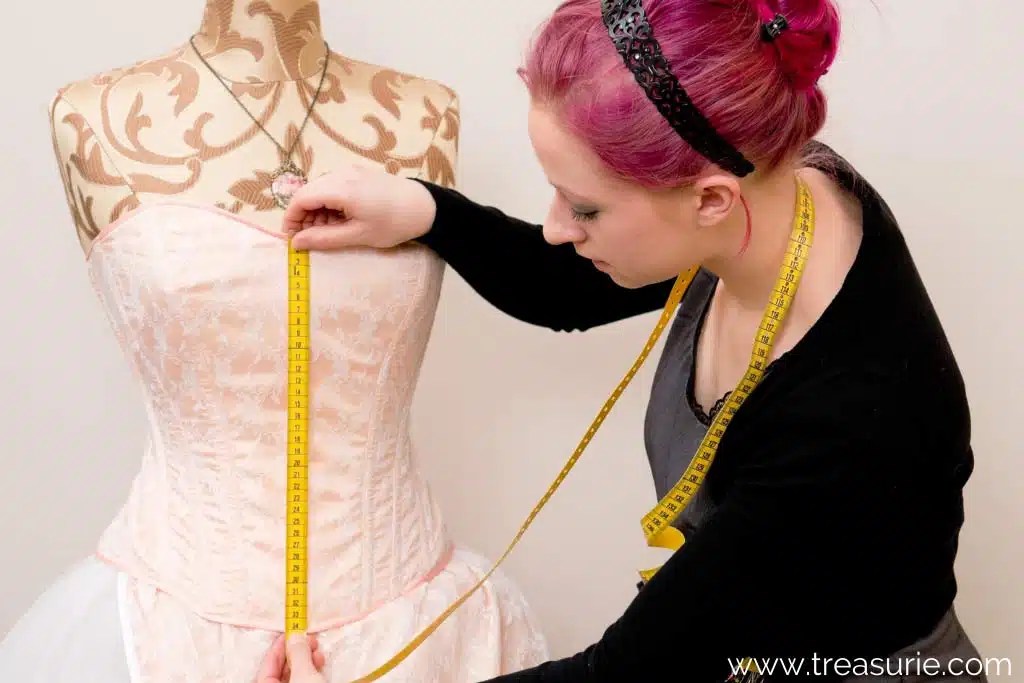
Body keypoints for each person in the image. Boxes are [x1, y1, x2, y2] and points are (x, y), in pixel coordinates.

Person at [272, 0, 991, 680]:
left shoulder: (851, 420)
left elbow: (622, 675)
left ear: (711, 200)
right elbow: (567, 285)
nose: (556, 227)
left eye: (584, 208)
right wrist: (427, 211)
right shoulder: (767, 190)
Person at [0, 0, 549, 680]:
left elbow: (562, 279)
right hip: (171, 619)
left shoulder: (427, 113)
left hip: (414, 615)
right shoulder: (88, 117)